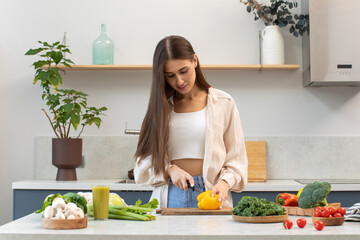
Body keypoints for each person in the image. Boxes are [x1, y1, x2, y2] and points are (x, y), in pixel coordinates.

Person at [134, 35, 248, 209]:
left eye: (183, 71)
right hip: (170, 194)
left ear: (195, 60)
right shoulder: (160, 108)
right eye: (170, 75)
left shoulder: (224, 103)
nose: (179, 81)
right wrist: (171, 170)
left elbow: (236, 159)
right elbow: (143, 161)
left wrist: (224, 183)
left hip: (212, 195)